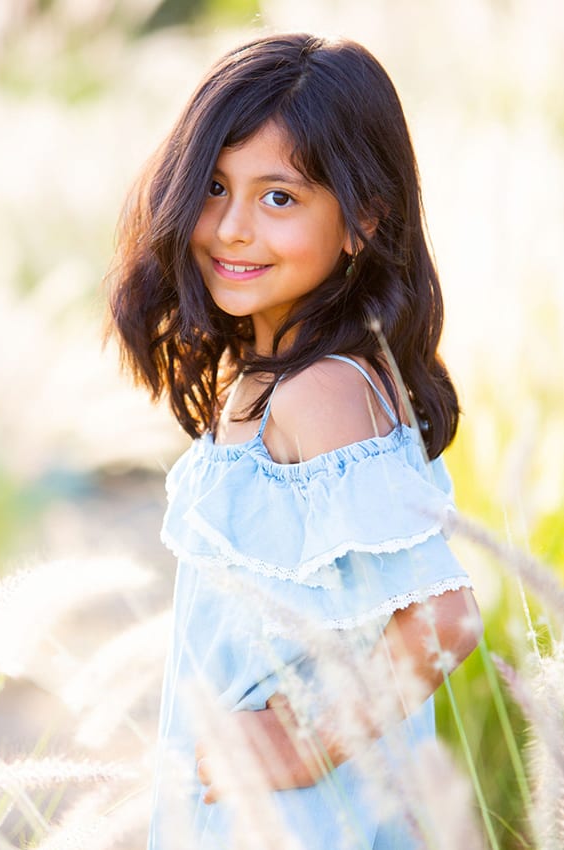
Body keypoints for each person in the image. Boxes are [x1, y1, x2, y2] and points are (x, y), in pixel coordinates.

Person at [106, 32, 483, 849]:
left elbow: (444, 620)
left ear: (362, 219)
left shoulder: (320, 392)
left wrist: (306, 741)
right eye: (212, 187)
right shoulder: (276, 369)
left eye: (278, 198)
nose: (231, 228)